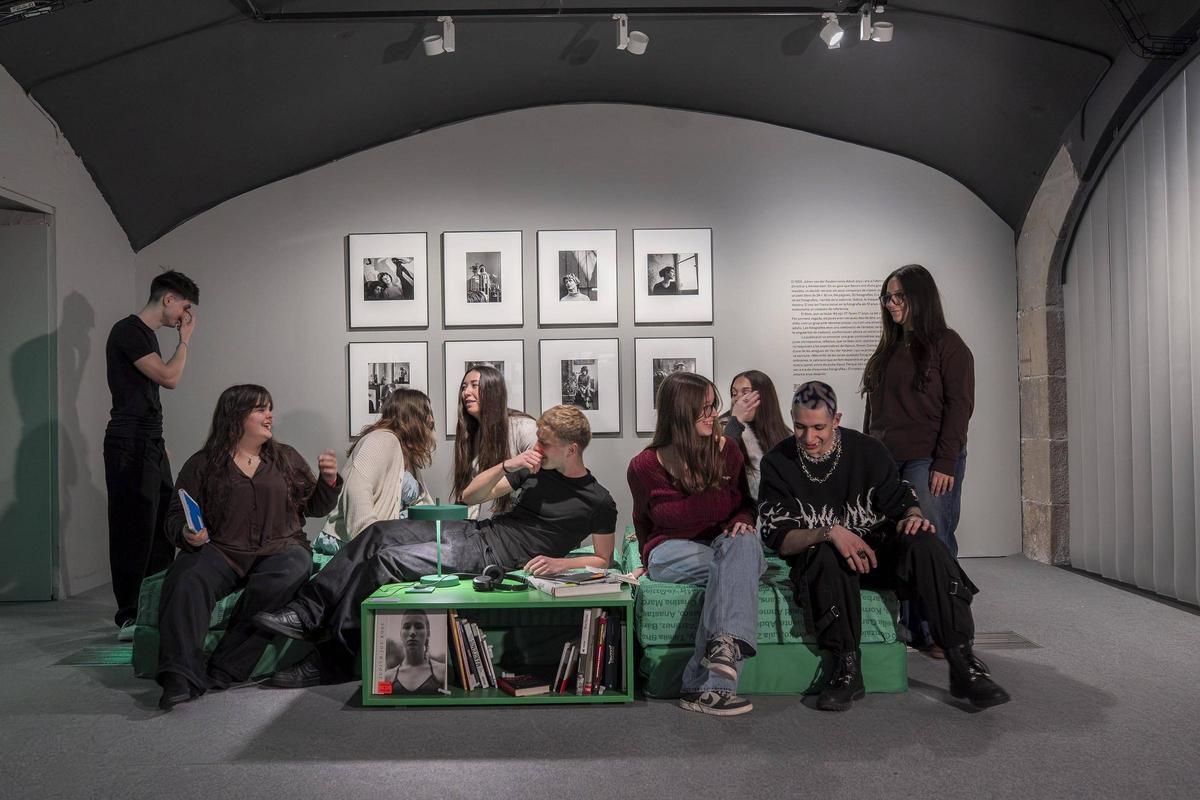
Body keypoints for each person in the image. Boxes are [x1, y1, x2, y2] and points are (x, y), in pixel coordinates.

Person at [252, 405, 618, 687]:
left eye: (544, 443)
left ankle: (331, 661)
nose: (536, 447)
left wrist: (560, 563)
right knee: (377, 533)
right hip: (475, 531)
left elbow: (603, 558)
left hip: (491, 557)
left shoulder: (598, 502)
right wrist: (510, 464)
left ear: (571, 449)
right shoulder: (535, 469)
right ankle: (307, 611)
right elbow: (471, 495)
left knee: (385, 561)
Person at [757, 381, 1009, 712]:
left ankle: (963, 662)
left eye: (818, 427)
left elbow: (901, 500)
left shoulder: (868, 450)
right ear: (792, 418)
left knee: (926, 543)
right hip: (824, 560)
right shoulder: (777, 462)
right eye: (800, 426)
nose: (809, 438)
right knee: (825, 553)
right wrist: (829, 533)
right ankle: (847, 669)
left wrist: (914, 517)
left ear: (836, 419)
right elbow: (780, 538)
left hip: (877, 554)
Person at [155, 384, 342, 710]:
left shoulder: (285, 458)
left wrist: (328, 483)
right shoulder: (202, 464)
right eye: (260, 409)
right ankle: (179, 675)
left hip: (280, 547)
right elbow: (174, 514)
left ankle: (225, 667)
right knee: (186, 577)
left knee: (292, 569)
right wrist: (186, 532)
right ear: (235, 415)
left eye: (270, 408)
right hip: (222, 549)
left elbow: (314, 507)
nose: (270, 416)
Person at [627, 372, 766, 716]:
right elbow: (643, 518)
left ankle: (716, 663)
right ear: (679, 411)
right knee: (741, 567)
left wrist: (743, 521)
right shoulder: (644, 466)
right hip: (670, 551)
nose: (713, 414)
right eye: (704, 408)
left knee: (743, 547)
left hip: (720, 545)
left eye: (713, 406)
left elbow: (745, 505)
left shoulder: (728, 451)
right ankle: (712, 681)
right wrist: (644, 559)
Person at [861, 264, 974, 656]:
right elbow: (874, 414)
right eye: (887, 297)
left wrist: (945, 461)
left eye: (899, 296)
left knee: (933, 542)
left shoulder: (948, 345)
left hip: (928, 459)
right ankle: (916, 630)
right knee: (899, 541)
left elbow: (959, 406)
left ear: (919, 297)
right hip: (888, 461)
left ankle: (947, 631)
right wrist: (868, 460)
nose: (891, 304)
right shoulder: (887, 350)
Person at [104, 269, 199, 640]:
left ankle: (153, 608)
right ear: (168, 299)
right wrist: (185, 341)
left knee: (161, 527)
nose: (184, 317)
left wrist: (160, 444)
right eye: (184, 308)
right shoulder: (128, 331)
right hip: (129, 444)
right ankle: (129, 616)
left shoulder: (146, 336)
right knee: (133, 530)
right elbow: (169, 377)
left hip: (150, 443)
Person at [313, 388, 436, 556]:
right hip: (349, 541)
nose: (431, 419)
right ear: (410, 416)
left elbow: (422, 503)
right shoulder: (382, 439)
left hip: (380, 538)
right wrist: (371, 541)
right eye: (426, 412)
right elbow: (356, 489)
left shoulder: (407, 455)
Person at [451, 365, 537, 517]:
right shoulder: (472, 433)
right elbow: (468, 495)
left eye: (474, 385)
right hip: (488, 523)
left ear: (493, 390)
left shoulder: (524, 427)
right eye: (464, 387)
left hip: (523, 523)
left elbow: (541, 478)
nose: (466, 392)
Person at [719, 370, 792, 502]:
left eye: (746, 393)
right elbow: (721, 466)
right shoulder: (723, 428)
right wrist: (736, 421)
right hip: (741, 509)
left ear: (764, 397)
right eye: (734, 394)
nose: (737, 399)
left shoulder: (785, 434)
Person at [386, 609, 445, 694]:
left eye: (418, 626)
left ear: (428, 633)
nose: (412, 632)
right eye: (407, 627)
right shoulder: (388, 677)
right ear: (400, 634)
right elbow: (382, 700)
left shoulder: (442, 672)